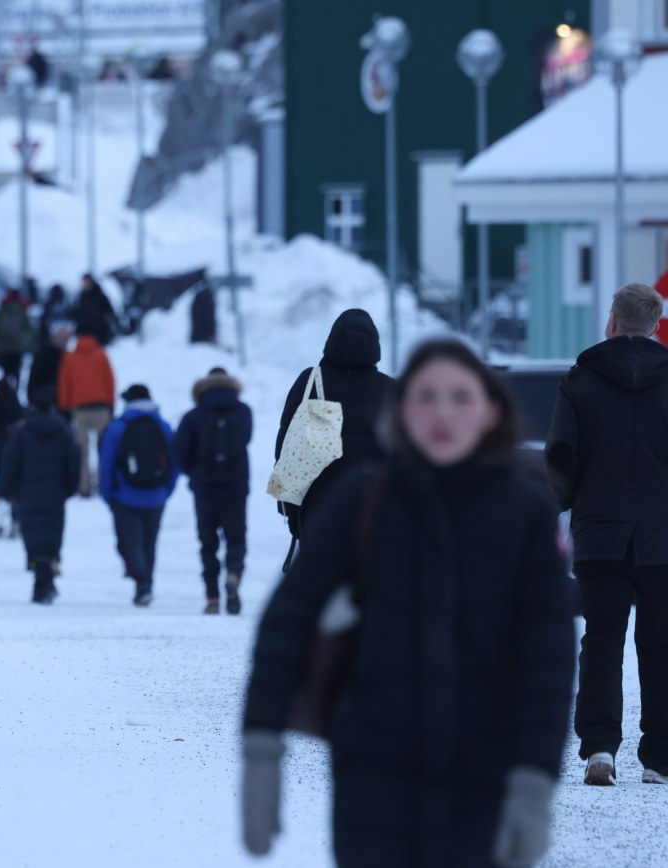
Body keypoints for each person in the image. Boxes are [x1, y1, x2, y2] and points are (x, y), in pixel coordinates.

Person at [243, 339, 577, 868]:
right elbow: (288, 619)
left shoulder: (525, 514)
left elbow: (549, 657)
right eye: (426, 396)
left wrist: (535, 780)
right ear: (400, 412)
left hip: (485, 774)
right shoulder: (361, 499)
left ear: (490, 411)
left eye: (460, 397)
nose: (443, 412)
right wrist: (262, 747)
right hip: (372, 774)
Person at [546, 282, 668, 787]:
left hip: (599, 532)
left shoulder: (580, 381)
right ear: (656, 326)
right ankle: (660, 758)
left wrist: (564, 502)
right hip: (663, 534)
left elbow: (560, 455)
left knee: (601, 637)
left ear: (612, 321)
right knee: (661, 642)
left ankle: (600, 749)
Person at [275, 309, 393, 541]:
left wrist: (291, 510)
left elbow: (287, 445)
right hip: (376, 509)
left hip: (318, 506)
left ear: (332, 341)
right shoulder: (390, 389)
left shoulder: (310, 381)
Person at [173, 367, 252, 615]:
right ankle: (234, 574)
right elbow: (246, 439)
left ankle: (212, 598)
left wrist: (194, 473)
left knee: (208, 544)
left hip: (204, 489)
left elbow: (179, 453)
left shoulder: (193, 416)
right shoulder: (243, 411)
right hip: (236, 486)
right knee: (236, 538)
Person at [98, 384, 178, 606]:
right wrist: (167, 489)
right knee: (150, 542)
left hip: (125, 496)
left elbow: (106, 464)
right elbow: (174, 461)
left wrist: (108, 494)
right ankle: (147, 584)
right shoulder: (162, 425)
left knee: (131, 542)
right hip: (156, 495)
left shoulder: (117, 427)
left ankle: (141, 583)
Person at [0, 387, 80, 603]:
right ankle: (46, 582)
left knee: (34, 538)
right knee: (51, 536)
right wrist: (69, 488)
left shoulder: (22, 431)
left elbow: (11, 462)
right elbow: (73, 462)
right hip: (55, 493)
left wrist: (5, 489)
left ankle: (41, 583)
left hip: (27, 493)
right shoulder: (63, 430)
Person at [57, 327, 115, 497]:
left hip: (79, 410)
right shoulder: (101, 355)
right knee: (104, 449)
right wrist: (111, 405)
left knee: (82, 451)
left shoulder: (69, 358)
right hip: (101, 408)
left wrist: (64, 408)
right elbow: (110, 381)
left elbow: (64, 384)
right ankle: (105, 484)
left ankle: (84, 487)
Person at [0, 289, 35, 389]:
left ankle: (6, 389)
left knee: (5, 370)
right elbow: (28, 327)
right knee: (16, 370)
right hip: (17, 346)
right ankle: (16, 389)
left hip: (3, 346)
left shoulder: (3, 307)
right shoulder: (21, 308)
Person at [27, 322, 72, 409]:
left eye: (66, 338)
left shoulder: (67, 357)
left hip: (63, 403)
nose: (64, 341)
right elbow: (34, 381)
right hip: (45, 403)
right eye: (61, 337)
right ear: (53, 338)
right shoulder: (43, 355)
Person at [74, 273, 117, 345]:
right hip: (84, 333)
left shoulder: (99, 295)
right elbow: (78, 312)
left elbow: (109, 311)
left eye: (86, 282)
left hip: (99, 331)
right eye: (83, 282)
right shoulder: (81, 297)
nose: (84, 284)